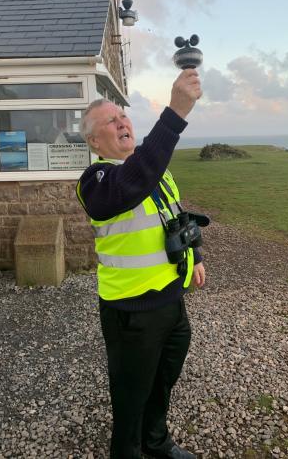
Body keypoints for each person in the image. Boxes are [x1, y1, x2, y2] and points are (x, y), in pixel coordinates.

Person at [76, 69, 205, 459]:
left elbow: (177, 218)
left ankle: (156, 441)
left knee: (163, 382)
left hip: (170, 301)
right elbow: (133, 182)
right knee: (131, 397)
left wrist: (195, 257)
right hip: (130, 312)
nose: (122, 122)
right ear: (95, 141)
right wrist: (176, 112)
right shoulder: (97, 180)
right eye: (110, 121)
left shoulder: (157, 174)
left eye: (123, 116)